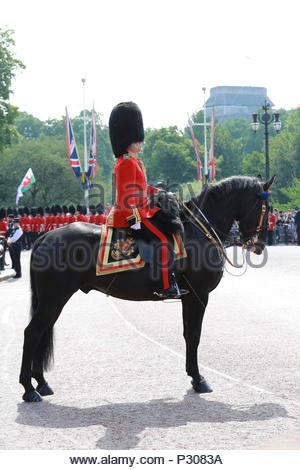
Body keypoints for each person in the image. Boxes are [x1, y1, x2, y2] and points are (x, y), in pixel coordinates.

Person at [107, 101, 188, 299]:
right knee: (161, 241)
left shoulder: (133, 161)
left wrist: (161, 193)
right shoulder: (126, 163)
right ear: (129, 139)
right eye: (137, 139)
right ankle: (165, 286)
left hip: (143, 210)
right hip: (131, 215)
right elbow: (127, 197)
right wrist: (134, 221)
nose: (140, 142)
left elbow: (140, 188)